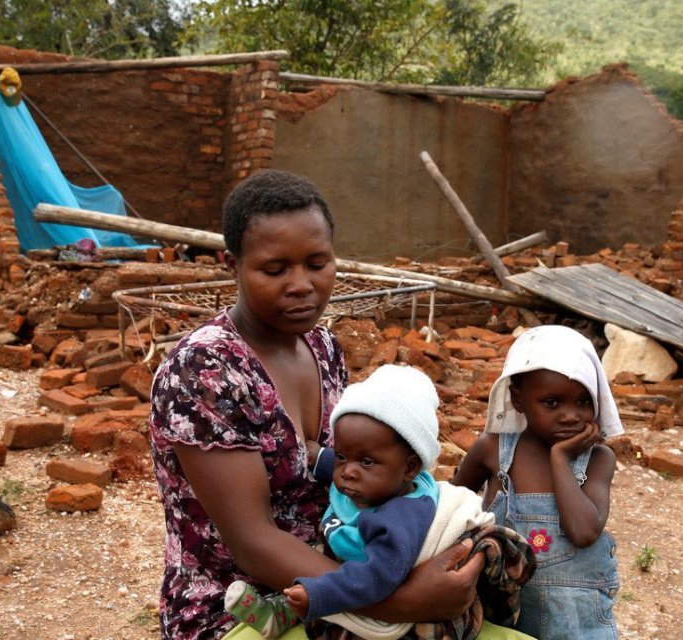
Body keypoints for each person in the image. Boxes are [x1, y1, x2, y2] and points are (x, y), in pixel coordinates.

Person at [148, 169, 522, 640]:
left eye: (317, 262)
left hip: (347, 574)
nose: (301, 284)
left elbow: (354, 473)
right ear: (232, 264)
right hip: (244, 606)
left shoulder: (321, 346)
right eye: (275, 269)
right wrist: (404, 600)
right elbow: (252, 542)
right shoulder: (205, 372)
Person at [226, 364, 530, 640]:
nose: (348, 472)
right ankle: (280, 612)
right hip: (343, 565)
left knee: (330, 610)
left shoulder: (398, 516)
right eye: (343, 455)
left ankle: (291, 610)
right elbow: (349, 461)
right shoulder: (378, 480)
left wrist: (317, 595)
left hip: (374, 581)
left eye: (366, 461)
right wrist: (319, 456)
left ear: (410, 467)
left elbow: (378, 578)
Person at [453, 325, 625, 640]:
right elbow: (449, 510)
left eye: (583, 402)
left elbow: (583, 531)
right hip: (502, 622)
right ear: (518, 399)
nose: (571, 416)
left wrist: (560, 458)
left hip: (577, 626)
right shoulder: (494, 450)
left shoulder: (598, 459)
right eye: (551, 403)